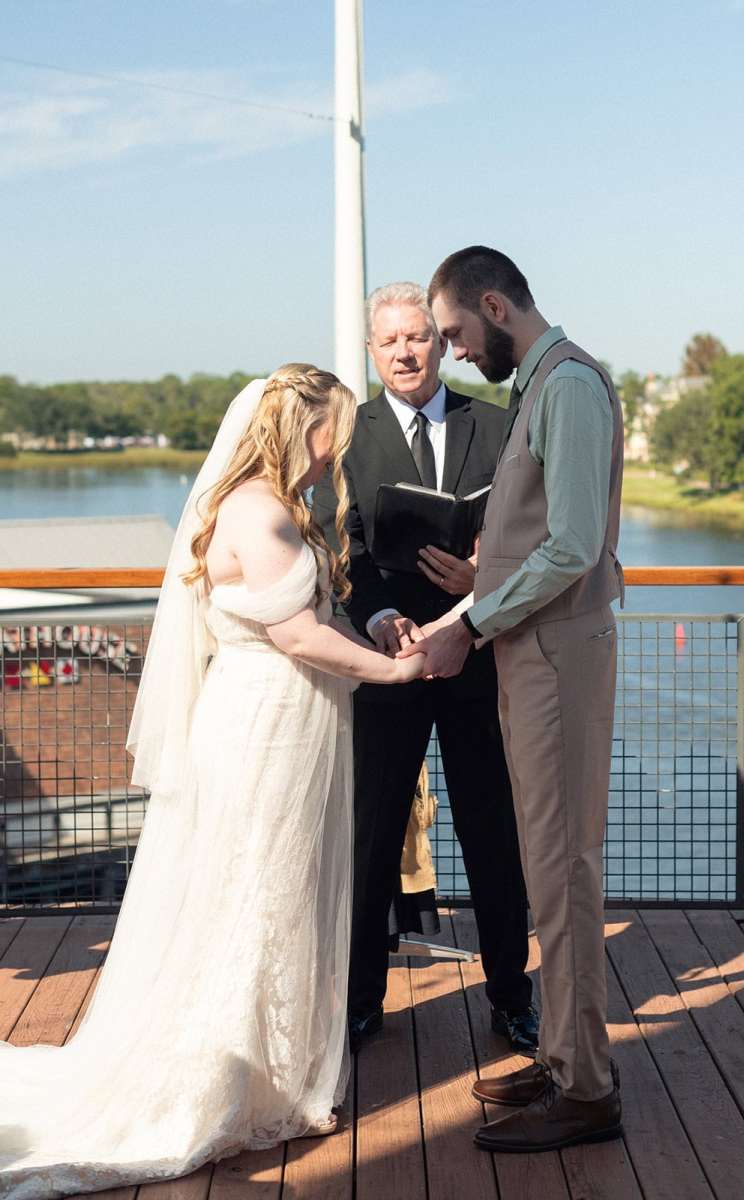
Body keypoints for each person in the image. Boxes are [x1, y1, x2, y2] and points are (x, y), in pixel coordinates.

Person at [0, 365, 425, 1198]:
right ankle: (229, 1078)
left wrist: (377, 625)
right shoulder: (262, 513)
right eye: (332, 429)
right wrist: (396, 675)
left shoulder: (265, 504)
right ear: (304, 428)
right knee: (253, 889)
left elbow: (315, 618)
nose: (337, 448)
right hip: (265, 725)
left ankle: (272, 1063)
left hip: (284, 720)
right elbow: (299, 638)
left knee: (275, 887)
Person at [398, 247, 624, 1153]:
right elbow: (543, 535)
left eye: (453, 332)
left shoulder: (564, 385)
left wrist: (467, 625)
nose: (450, 352)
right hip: (537, 656)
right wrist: (479, 590)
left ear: (495, 304)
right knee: (548, 866)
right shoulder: (543, 383)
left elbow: (570, 547)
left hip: (555, 660)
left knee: (564, 870)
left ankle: (588, 1089)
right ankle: (567, 1054)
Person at [313, 282, 536, 1055]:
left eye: (418, 337)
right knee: (371, 834)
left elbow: (529, 528)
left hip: (475, 653)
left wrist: (483, 573)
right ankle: (360, 999)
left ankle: (512, 996)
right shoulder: (348, 434)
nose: (406, 351)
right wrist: (378, 617)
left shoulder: (498, 424)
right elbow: (343, 546)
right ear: (373, 352)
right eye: (390, 342)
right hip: (389, 660)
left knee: (492, 831)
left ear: (441, 344)